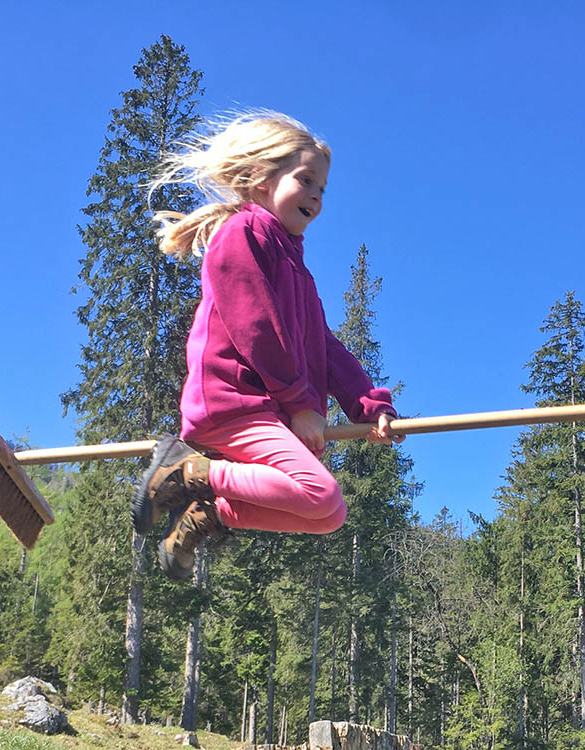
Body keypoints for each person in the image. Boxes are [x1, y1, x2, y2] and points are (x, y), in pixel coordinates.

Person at [131, 111, 402, 581]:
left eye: (323, 189)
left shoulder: (296, 269)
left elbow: (325, 347)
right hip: (232, 401)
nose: (317, 196)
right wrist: (300, 404)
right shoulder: (241, 235)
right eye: (306, 180)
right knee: (320, 495)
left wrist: (367, 407)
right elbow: (255, 326)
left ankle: (213, 511)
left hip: (266, 410)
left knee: (328, 515)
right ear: (260, 179)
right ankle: (188, 471)